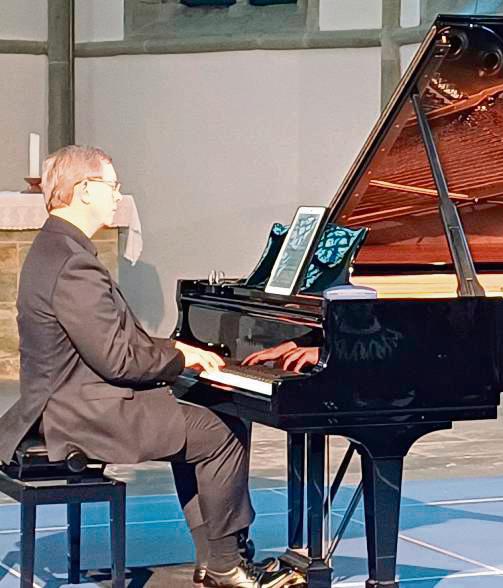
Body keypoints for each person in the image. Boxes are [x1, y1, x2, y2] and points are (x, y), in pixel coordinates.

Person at [0, 145, 298, 588]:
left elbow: (113, 341)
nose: (118, 196)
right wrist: (179, 357)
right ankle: (225, 564)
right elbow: (118, 359)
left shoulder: (56, 247)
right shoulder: (72, 262)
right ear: (83, 190)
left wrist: (176, 348)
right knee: (218, 431)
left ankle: (213, 558)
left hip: (67, 400)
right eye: (111, 186)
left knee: (203, 418)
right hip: (82, 412)